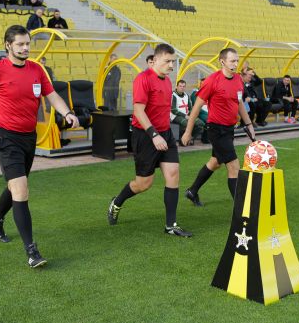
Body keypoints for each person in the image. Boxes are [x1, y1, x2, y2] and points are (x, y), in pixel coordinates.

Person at [0, 24, 79, 268]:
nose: (25, 48)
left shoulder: (36, 69)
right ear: (8, 45)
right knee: (21, 190)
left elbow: (51, 95)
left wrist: (67, 112)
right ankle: (32, 251)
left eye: (27, 44)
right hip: (5, 138)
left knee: (15, 187)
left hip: (28, 138)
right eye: (20, 44)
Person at [107, 43, 192, 237]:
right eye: (167, 61)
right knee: (143, 184)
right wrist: (154, 135)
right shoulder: (143, 79)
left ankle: (171, 225)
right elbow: (138, 110)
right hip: (145, 136)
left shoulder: (168, 81)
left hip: (165, 134)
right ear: (155, 60)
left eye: (173, 61)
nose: (171, 65)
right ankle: (117, 202)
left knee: (173, 173)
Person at [182, 48, 255, 207]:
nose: (236, 64)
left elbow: (239, 103)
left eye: (237, 60)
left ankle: (192, 191)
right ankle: (243, 210)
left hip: (229, 129)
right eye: (232, 61)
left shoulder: (237, 80)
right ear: (222, 61)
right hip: (216, 130)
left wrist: (249, 124)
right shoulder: (211, 81)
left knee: (215, 163)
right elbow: (195, 108)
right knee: (234, 167)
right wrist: (188, 131)